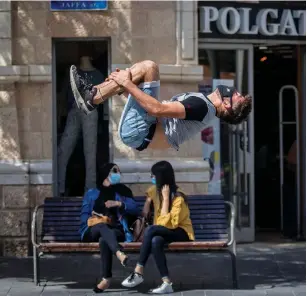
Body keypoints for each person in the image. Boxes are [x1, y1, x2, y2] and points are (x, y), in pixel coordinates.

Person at [69, 60, 252, 151]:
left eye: (237, 96)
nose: (235, 91)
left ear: (227, 105)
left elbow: (156, 109)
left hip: (139, 132)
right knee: (139, 73)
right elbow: (151, 109)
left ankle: (92, 97)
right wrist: (124, 87)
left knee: (149, 68)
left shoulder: (202, 107)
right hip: (141, 132)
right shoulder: (205, 106)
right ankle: (94, 95)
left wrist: (127, 84)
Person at [121, 160, 195, 294]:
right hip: (162, 231)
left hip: (181, 232)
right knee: (155, 241)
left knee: (151, 229)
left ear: (161, 177)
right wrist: (148, 202)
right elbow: (150, 194)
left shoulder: (179, 197)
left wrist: (166, 200)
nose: (151, 178)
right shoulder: (155, 191)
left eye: (153, 176)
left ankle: (138, 271)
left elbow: (169, 224)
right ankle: (167, 283)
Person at [79, 163, 140, 293]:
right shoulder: (91, 194)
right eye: (114, 171)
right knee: (101, 226)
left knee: (104, 239)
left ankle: (106, 280)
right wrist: (95, 216)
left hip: (116, 230)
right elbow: (84, 217)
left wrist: (119, 204)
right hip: (92, 230)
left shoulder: (123, 191)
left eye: (118, 171)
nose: (118, 174)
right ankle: (119, 253)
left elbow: (135, 209)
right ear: (106, 174)